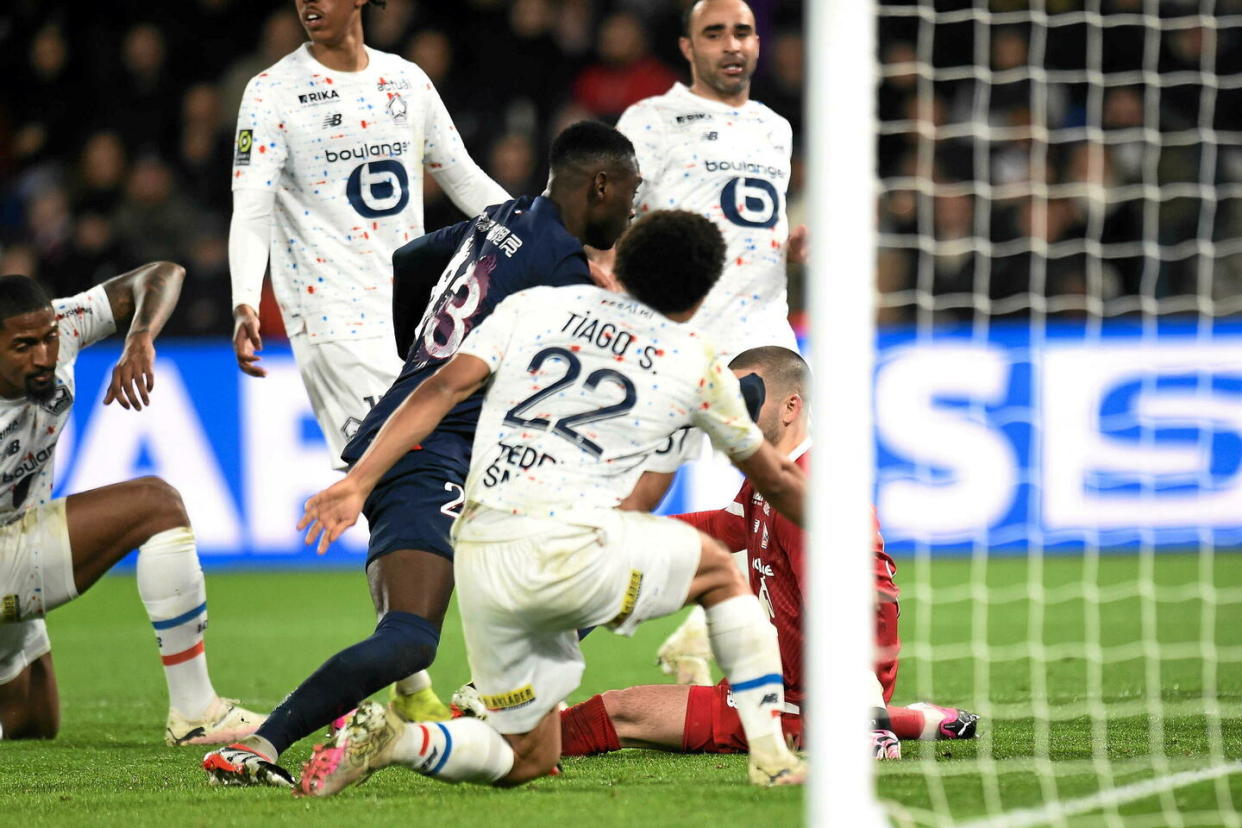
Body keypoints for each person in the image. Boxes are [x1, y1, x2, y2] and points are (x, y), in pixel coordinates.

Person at [291, 209, 808, 797]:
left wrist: (357, 482)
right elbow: (773, 482)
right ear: (698, 297)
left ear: (617, 267)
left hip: (483, 557)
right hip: (568, 550)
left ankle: (399, 740)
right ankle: (771, 755)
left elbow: (438, 387)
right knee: (718, 572)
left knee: (531, 756)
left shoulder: (531, 308)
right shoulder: (693, 361)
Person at [201, 120, 645, 788]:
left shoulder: (503, 219)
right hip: (424, 451)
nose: (635, 208)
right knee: (410, 637)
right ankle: (259, 745)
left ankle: (489, 707)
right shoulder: (559, 267)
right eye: (631, 194)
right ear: (601, 185)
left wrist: (422, 347)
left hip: (458, 453)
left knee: (600, 568)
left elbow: (408, 263)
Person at [228, 0, 509, 720]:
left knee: (430, 479)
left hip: (417, 319)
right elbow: (251, 206)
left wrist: (549, 243)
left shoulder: (405, 82)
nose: (309, 4)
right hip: (331, 328)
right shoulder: (271, 92)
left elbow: (467, 180)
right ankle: (423, 679)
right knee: (398, 474)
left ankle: (421, 678)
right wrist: (241, 300)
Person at [554, 347, 981, 762]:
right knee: (623, 710)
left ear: (791, 407)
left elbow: (842, 610)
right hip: (778, 684)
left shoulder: (807, 493)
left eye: (745, 401)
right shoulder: (773, 479)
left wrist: (866, 720)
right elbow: (725, 528)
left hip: (806, 698)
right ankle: (918, 720)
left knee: (615, 712)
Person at [610, 0, 809, 680]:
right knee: (636, 502)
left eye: (743, 32)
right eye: (714, 33)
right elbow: (610, 227)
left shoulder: (775, 128)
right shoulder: (648, 122)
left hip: (763, 339)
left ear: (759, 43)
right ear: (686, 47)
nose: (732, 45)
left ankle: (726, 636)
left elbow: (753, 224)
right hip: (677, 339)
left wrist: (791, 243)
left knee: (780, 488)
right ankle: (538, 640)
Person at [0, 262, 265, 745]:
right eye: (23, 347)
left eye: (48, 339)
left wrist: (140, 337)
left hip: (18, 533)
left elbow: (163, 274)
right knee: (156, 505)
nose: (43, 357)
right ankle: (196, 713)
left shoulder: (65, 324)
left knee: (33, 726)